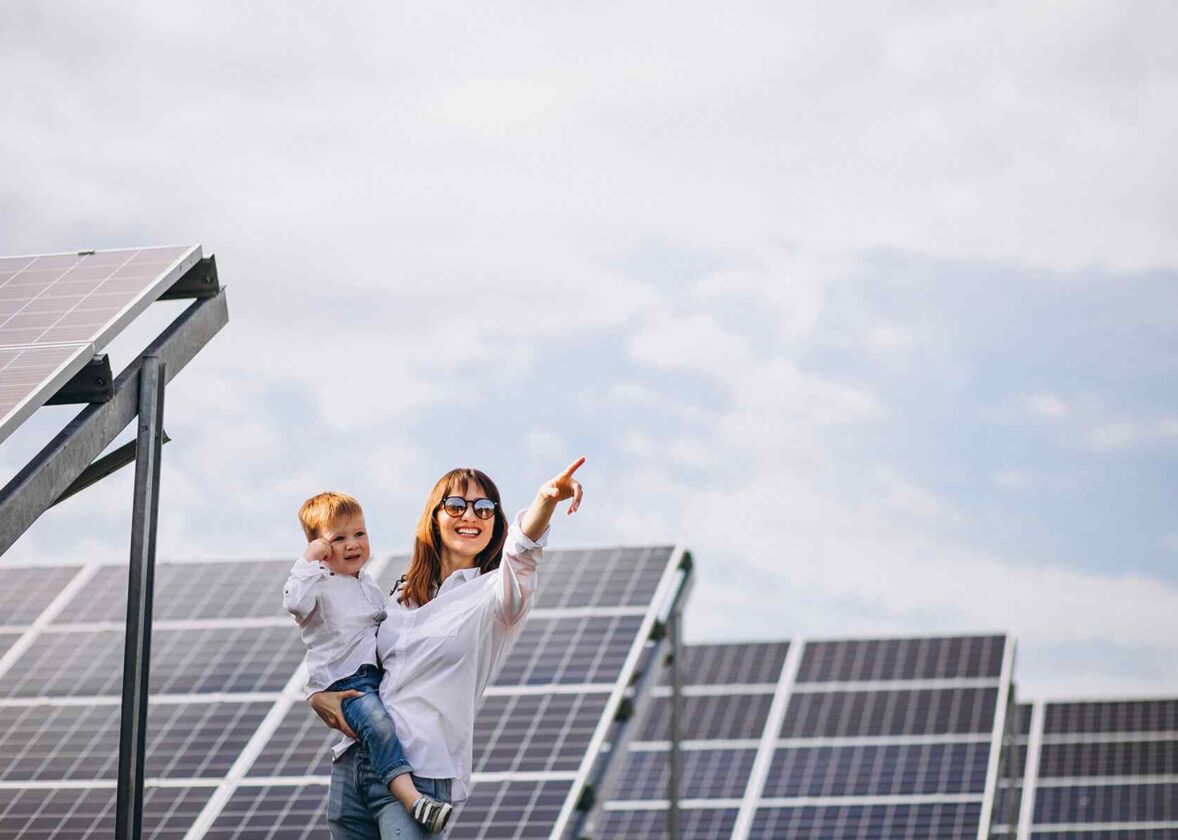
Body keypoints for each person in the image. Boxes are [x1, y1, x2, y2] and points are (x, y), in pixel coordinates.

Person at [309, 458, 585, 839]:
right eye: (457, 505)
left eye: (484, 508)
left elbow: (522, 553)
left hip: (421, 771)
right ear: (435, 518)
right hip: (355, 763)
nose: (471, 515)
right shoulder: (399, 596)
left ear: (495, 522)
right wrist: (319, 696)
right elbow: (346, 652)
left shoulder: (496, 598)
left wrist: (546, 500)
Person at [284, 492, 453, 834]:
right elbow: (295, 604)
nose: (353, 544)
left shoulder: (368, 584)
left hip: (371, 679)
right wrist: (308, 561)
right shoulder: (317, 584)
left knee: (381, 723)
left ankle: (406, 794)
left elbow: (387, 622)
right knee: (377, 725)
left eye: (359, 534)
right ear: (319, 546)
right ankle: (412, 800)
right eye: (339, 538)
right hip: (343, 684)